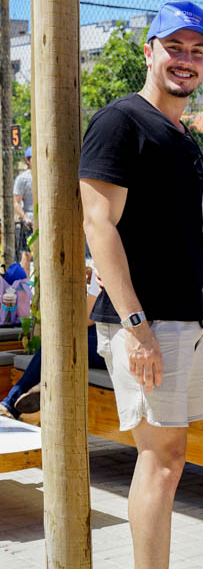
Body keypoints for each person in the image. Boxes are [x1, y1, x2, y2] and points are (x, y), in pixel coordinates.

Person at [79, 1, 203, 569]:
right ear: (149, 49)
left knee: (165, 459)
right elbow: (98, 225)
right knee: (161, 464)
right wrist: (135, 325)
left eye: (198, 49)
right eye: (175, 46)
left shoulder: (177, 132)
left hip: (177, 319)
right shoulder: (121, 121)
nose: (186, 58)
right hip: (147, 323)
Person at [0, 264, 104, 420]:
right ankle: (42, 384)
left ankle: (10, 405)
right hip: (124, 340)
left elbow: (86, 317)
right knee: (66, 342)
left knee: (58, 342)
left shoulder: (105, 263)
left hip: (117, 346)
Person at [13, 147, 33, 275]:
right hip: (29, 221)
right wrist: (25, 218)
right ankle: (24, 286)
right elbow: (16, 203)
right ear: (27, 160)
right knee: (27, 253)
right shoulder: (22, 179)